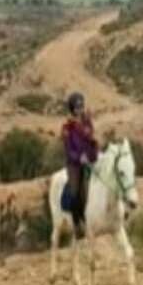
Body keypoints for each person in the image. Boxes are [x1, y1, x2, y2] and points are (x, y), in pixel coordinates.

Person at [61, 91, 99, 238]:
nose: (80, 109)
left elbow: (91, 138)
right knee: (75, 191)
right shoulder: (67, 127)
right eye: (77, 107)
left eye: (81, 106)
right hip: (74, 164)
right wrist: (78, 158)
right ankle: (77, 224)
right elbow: (68, 149)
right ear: (72, 109)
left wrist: (92, 154)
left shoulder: (87, 121)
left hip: (89, 159)